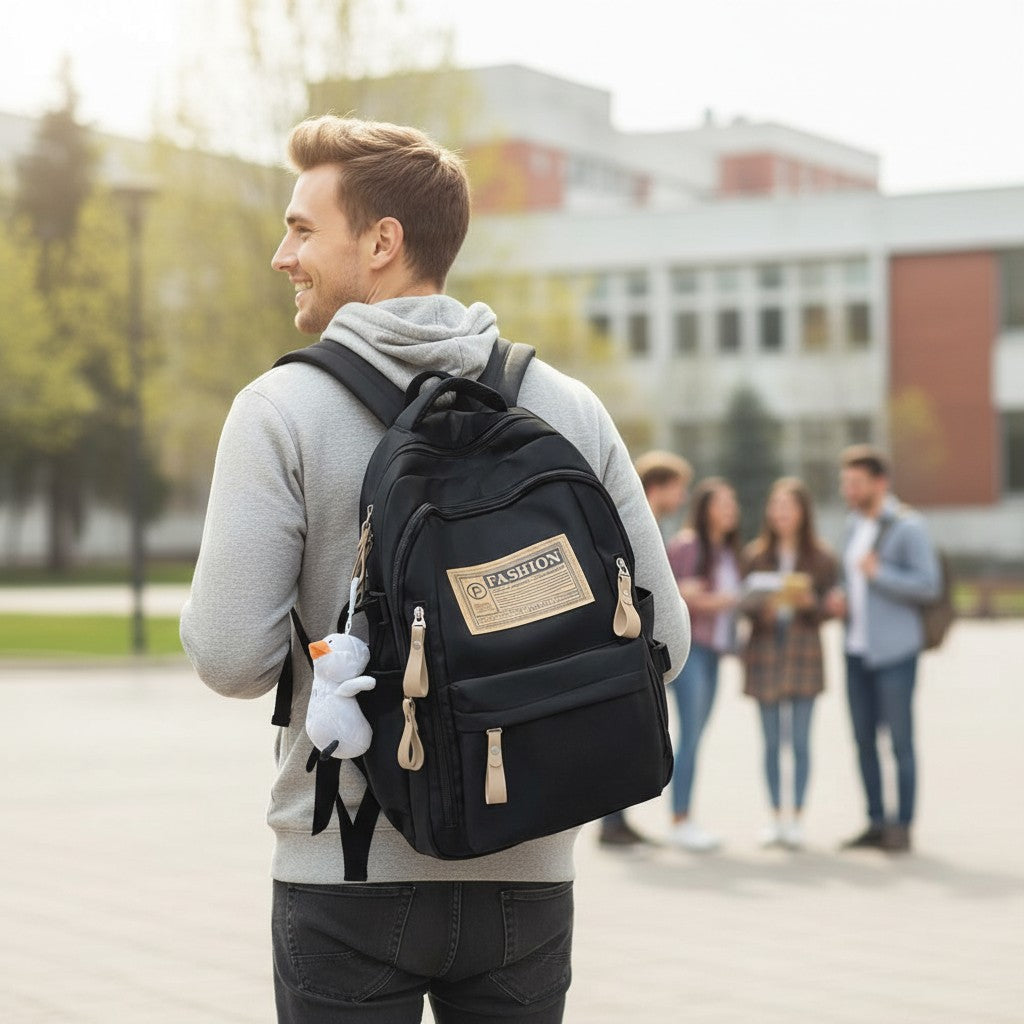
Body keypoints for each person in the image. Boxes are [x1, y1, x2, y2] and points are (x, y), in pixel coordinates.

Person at [179, 115, 689, 1024]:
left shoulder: (281, 409)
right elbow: (669, 642)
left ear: (382, 242)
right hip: (528, 878)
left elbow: (229, 657)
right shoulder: (565, 404)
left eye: (302, 228)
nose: (279, 254)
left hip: (348, 873)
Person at [824, 446, 941, 853]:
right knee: (863, 740)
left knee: (900, 742)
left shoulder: (909, 527)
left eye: (855, 483)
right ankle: (875, 821)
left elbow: (930, 585)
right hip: (855, 651)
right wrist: (840, 597)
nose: (848, 490)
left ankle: (902, 825)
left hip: (895, 653)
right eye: (845, 483)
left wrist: (880, 574)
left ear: (880, 483)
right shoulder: (853, 526)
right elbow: (848, 579)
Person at [598, 450, 693, 847]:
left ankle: (616, 821)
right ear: (657, 487)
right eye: (678, 488)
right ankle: (612, 822)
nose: (683, 497)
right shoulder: (639, 525)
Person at [740, 477, 839, 849]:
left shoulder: (822, 556)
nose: (781, 513)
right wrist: (760, 609)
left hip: (803, 654)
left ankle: (797, 816)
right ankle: (775, 816)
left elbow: (831, 606)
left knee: (799, 741)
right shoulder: (755, 554)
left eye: (789, 506)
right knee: (769, 742)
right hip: (765, 653)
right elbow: (742, 604)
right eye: (776, 506)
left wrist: (812, 605)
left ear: (802, 512)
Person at [665, 477, 742, 851]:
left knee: (697, 736)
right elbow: (665, 590)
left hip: (715, 650)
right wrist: (703, 598)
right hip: (691, 649)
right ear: (706, 507)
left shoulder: (725, 550)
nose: (731, 510)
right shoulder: (686, 545)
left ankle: (686, 818)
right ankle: (680, 820)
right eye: (723, 503)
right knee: (690, 735)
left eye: (733, 504)